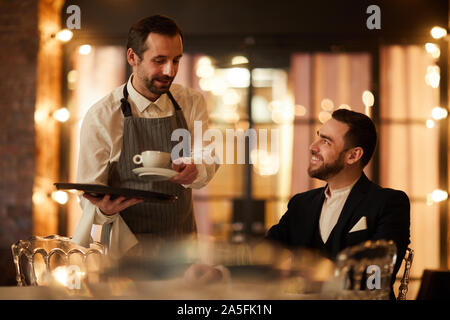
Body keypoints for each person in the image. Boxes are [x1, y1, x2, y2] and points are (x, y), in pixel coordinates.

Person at [72, 15, 217, 259]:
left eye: (176, 60)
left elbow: (208, 155)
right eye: (159, 61)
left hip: (182, 250)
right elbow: (88, 196)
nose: (170, 71)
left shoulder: (191, 102)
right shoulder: (102, 116)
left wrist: (197, 168)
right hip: (124, 252)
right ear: (132, 58)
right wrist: (103, 211)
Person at [266, 109, 410, 299]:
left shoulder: (389, 203)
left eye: (326, 141)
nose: (313, 147)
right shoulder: (301, 204)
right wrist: (221, 270)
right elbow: (264, 252)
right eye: (318, 137)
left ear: (353, 155)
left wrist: (305, 277)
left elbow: (374, 278)